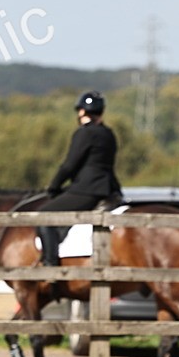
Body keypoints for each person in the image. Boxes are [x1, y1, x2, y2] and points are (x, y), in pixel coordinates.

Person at [37, 91, 122, 266]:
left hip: (87, 189)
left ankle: (50, 265)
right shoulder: (109, 134)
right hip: (109, 188)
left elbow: (69, 165)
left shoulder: (84, 133)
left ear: (82, 111)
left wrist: (53, 187)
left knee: (42, 216)